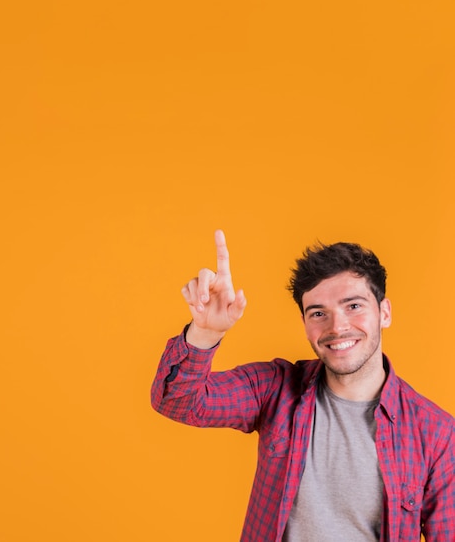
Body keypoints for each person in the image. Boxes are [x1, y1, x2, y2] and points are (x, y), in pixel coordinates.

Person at [151, 230, 455, 541]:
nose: (337, 327)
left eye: (354, 306)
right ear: (305, 324)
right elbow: (177, 401)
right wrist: (205, 333)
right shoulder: (275, 389)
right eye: (319, 313)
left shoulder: (436, 434)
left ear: (385, 312)